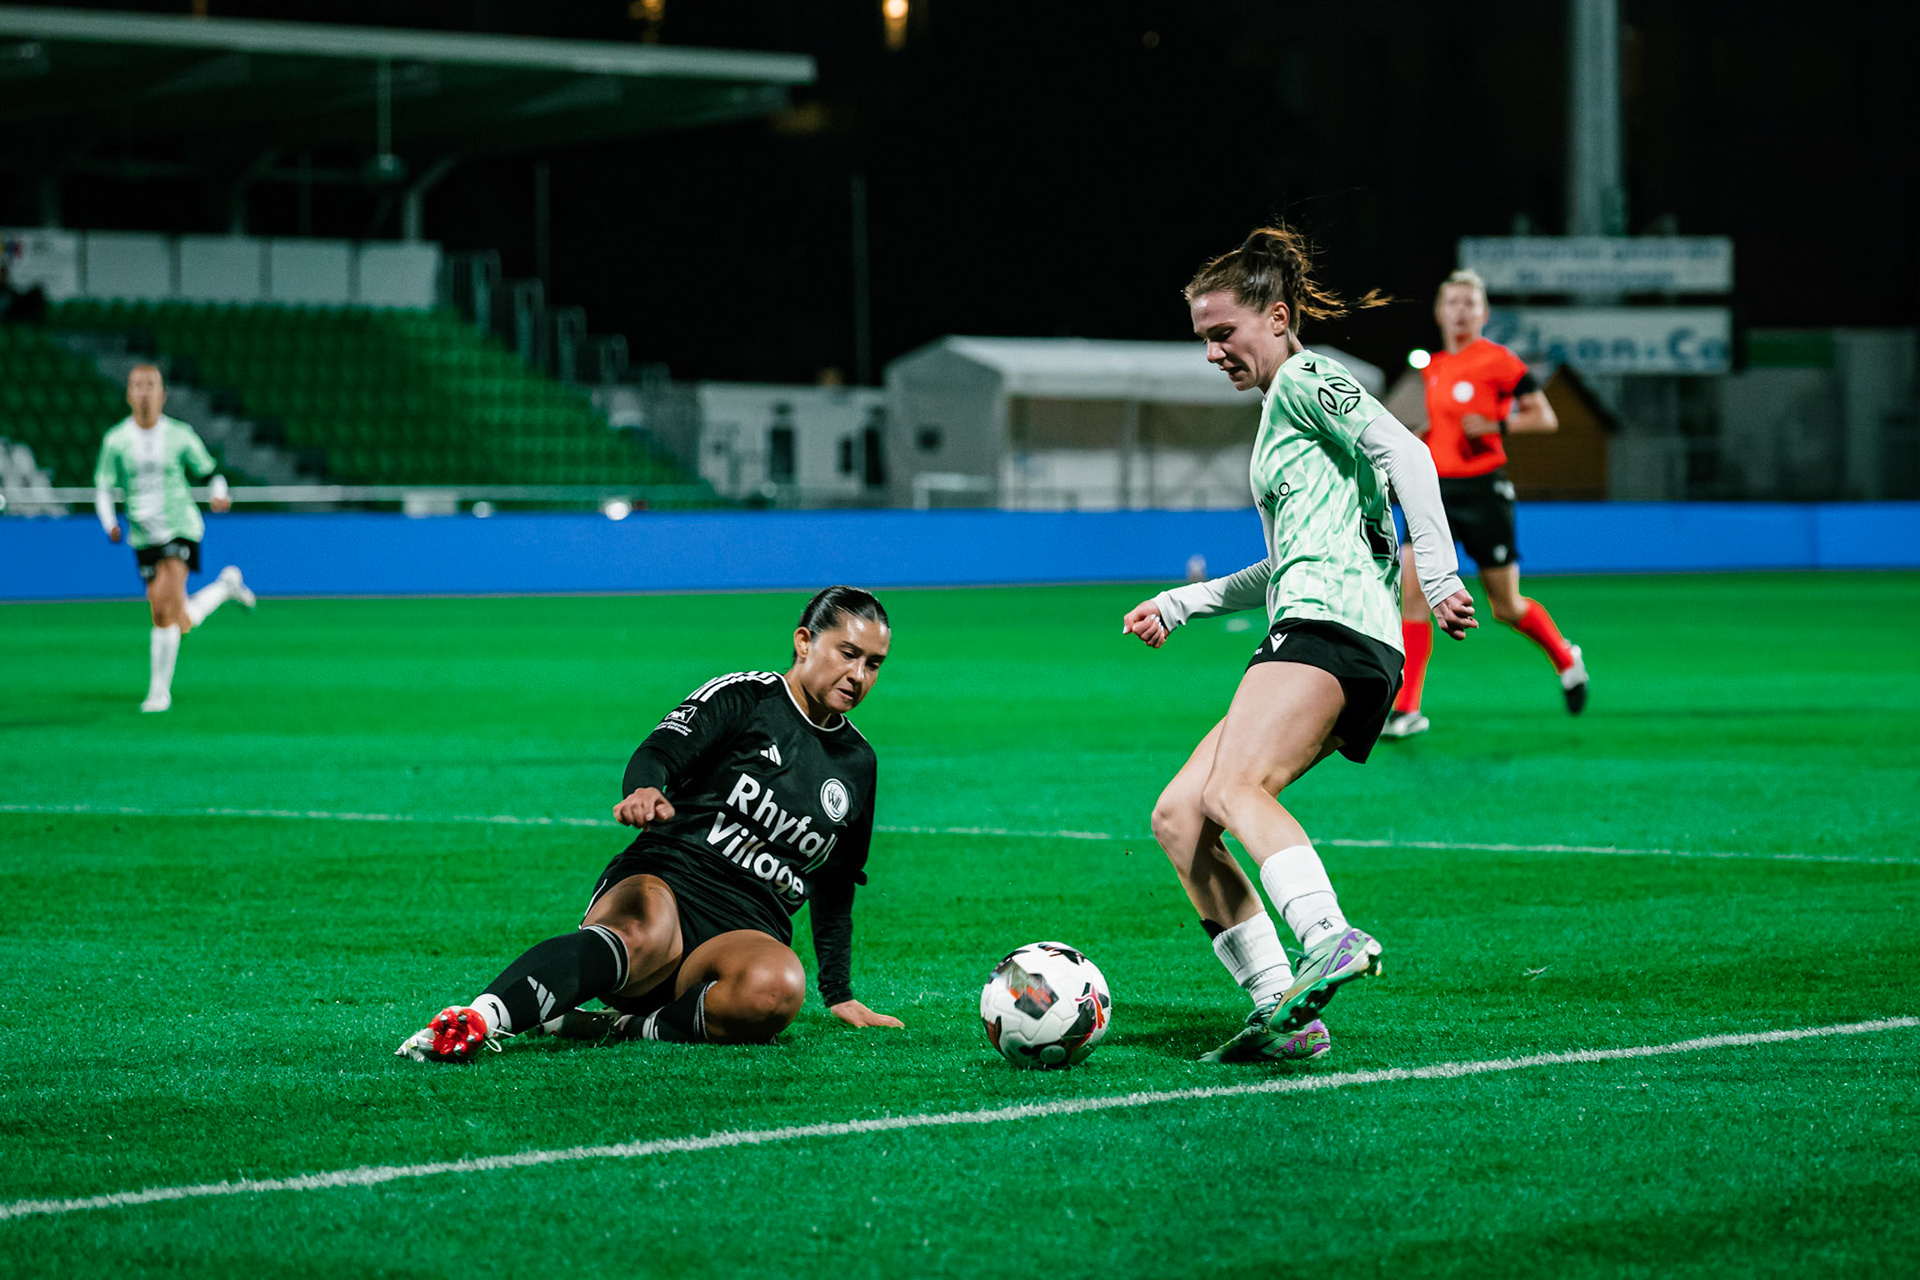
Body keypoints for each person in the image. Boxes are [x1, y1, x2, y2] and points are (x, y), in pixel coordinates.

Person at [1121, 226, 1475, 1063]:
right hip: (1322, 620)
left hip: (1330, 627)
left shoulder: (1308, 378)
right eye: (1203, 338)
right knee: (1179, 817)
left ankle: (1329, 934)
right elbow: (1290, 559)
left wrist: (1447, 574)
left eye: (1222, 334)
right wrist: (1188, 600)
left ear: (1277, 317)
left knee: (1239, 786)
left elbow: (1410, 452)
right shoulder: (1291, 412)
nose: (1213, 353)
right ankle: (1285, 1008)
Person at [397, 587, 904, 1063]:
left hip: (748, 927)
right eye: (847, 653)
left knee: (777, 988)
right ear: (803, 642)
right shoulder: (748, 698)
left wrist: (839, 994)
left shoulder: (858, 763)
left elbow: (836, 883)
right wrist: (645, 789)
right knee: (640, 933)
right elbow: (659, 750)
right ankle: (477, 1019)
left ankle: (615, 1027)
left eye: (873, 663)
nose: (859, 675)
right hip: (671, 878)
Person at [1381, 269, 1588, 739]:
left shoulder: (1501, 362)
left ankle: (1565, 657)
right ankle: (1407, 708)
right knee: (1413, 596)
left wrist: (1500, 426)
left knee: (1505, 606)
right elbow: (1441, 428)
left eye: (1469, 303)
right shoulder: (1431, 367)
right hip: (1435, 491)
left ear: (1483, 313)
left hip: (1484, 490)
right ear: (1439, 312)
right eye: (1451, 302)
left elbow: (1545, 417)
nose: (1460, 311)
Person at [94, 363, 255, 713]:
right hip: (142, 537)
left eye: (151, 384)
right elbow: (103, 488)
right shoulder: (116, 440)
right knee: (174, 617)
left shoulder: (179, 434)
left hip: (180, 527)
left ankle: (158, 693)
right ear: (128, 394)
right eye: (137, 384)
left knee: (164, 610)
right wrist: (109, 524)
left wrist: (218, 492)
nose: (144, 391)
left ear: (163, 394)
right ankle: (225, 588)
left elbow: (210, 471)